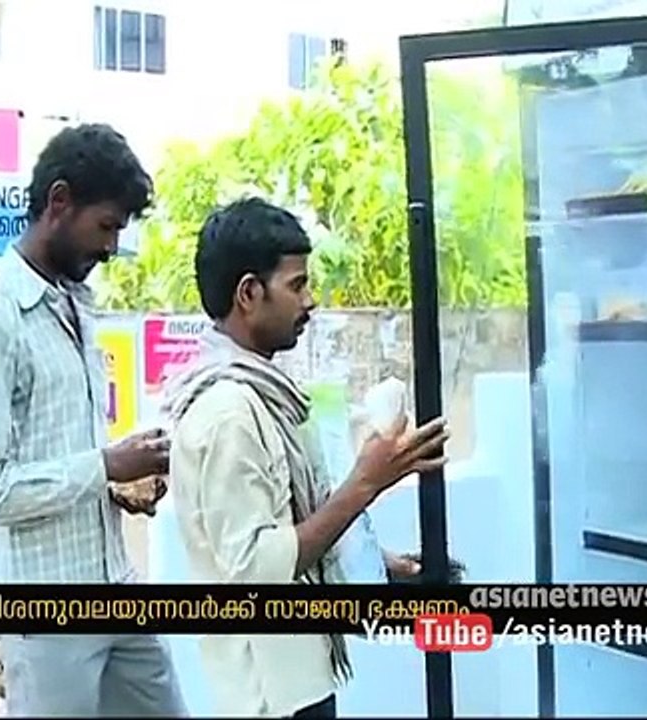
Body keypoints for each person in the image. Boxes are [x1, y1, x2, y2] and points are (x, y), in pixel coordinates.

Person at [163, 197, 450, 718]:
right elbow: (256, 568)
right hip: (273, 695)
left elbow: (284, 523)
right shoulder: (230, 410)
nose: (310, 301)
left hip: (294, 679)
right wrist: (365, 484)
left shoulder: (259, 395)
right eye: (297, 285)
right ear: (249, 293)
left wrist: (374, 563)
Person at [0, 123, 187, 718]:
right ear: (59, 202)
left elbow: (54, 455)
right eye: (105, 226)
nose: (110, 247)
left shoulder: (73, 303)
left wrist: (117, 482)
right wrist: (102, 466)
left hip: (113, 584)